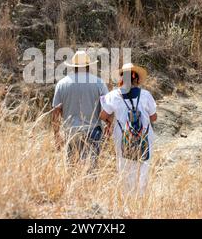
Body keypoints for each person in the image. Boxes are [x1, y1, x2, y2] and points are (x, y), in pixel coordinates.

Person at [100, 63, 157, 196]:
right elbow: (153, 117)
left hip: (122, 136)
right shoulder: (145, 95)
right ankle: (141, 197)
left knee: (124, 166)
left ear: (121, 79)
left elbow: (103, 115)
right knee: (143, 166)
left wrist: (110, 122)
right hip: (145, 136)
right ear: (135, 78)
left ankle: (127, 198)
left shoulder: (113, 95)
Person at [52, 51, 109, 168]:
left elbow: (56, 112)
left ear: (73, 67)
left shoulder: (62, 84)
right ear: (88, 66)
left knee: (72, 168)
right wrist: (109, 126)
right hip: (93, 132)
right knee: (91, 170)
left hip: (71, 132)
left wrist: (57, 135)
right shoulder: (99, 83)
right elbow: (106, 111)